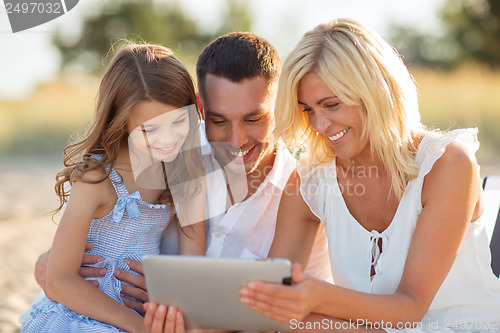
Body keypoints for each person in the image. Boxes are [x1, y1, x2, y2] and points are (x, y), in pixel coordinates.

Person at [32, 33, 333, 331]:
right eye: (219, 121)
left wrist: (175, 299)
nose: (236, 140)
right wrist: (50, 265)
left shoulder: (304, 189)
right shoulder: (171, 155)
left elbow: (265, 309)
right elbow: (64, 268)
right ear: (201, 109)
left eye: (253, 119)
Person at [238, 18, 500, 332]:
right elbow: (271, 300)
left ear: (375, 91)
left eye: (331, 105)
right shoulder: (311, 181)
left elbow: (410, 309)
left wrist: (316, 298)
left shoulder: (448, 165)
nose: (319, 125)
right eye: (307, 109)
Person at [20, 43, 206, 333]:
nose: (168, 139)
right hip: (82, 317)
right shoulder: (98, 178)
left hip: (146, 319)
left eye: (178, 122)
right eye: (150, 129)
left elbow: (194, 271)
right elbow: (59, 279)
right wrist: (138, 327)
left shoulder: (184, 177)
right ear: (122, 121)